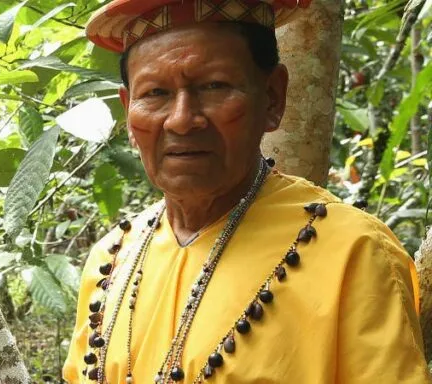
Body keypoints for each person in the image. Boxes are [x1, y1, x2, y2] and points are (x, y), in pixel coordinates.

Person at [57, 0, 429, 383]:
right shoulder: (111, 258)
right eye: (155, 93)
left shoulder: (354, 251)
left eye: (214, 86)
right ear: (128, 111)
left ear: (272, 97)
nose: (182, 119)